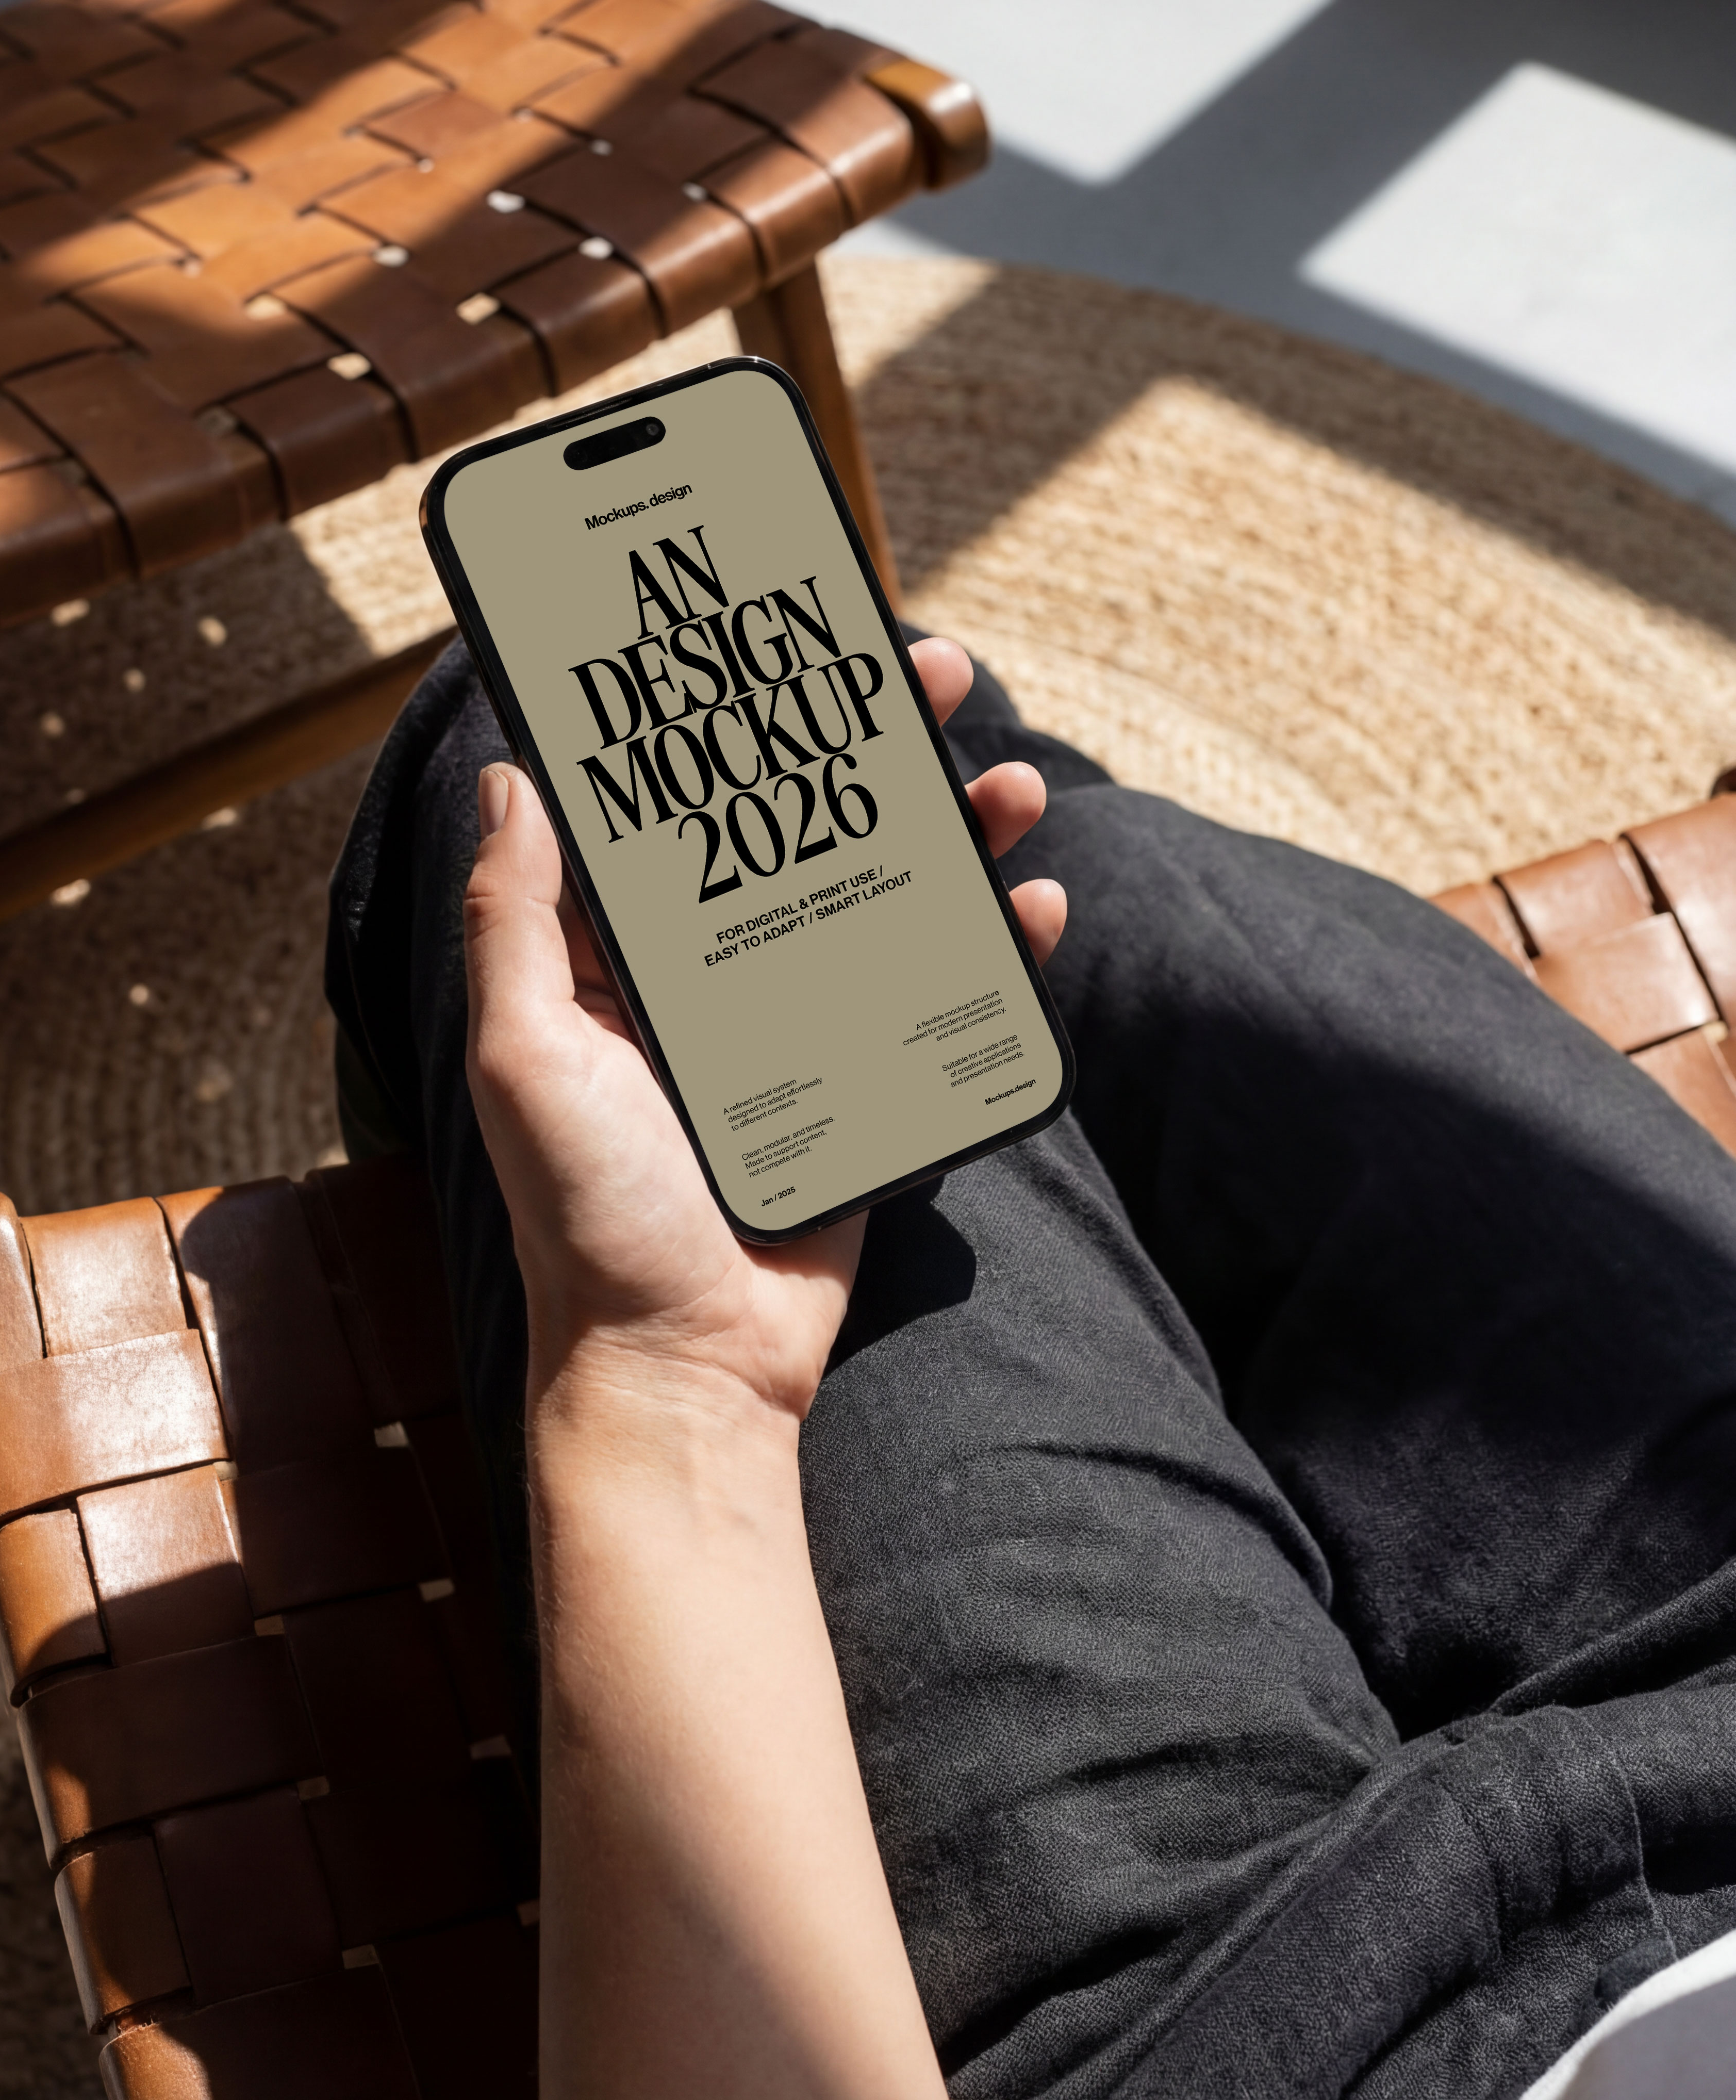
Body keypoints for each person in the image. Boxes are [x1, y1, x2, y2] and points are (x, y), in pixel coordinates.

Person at [326, 631, 1736, 2100]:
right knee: (1035, 845)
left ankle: (451, 1200)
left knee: (572, 739)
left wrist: (670, 1387)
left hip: (1212, 2047)